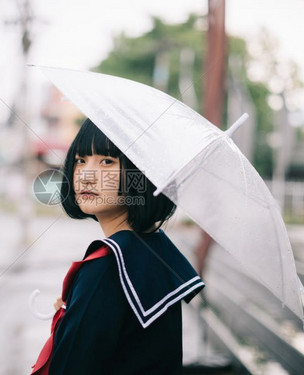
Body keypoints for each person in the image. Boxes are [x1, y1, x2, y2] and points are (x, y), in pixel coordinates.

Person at [31, 118, 205, 375]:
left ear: (141, 175)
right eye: (80, 160)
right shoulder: (154, 248)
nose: (86, 176)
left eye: (107, 161)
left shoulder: (108, 266)